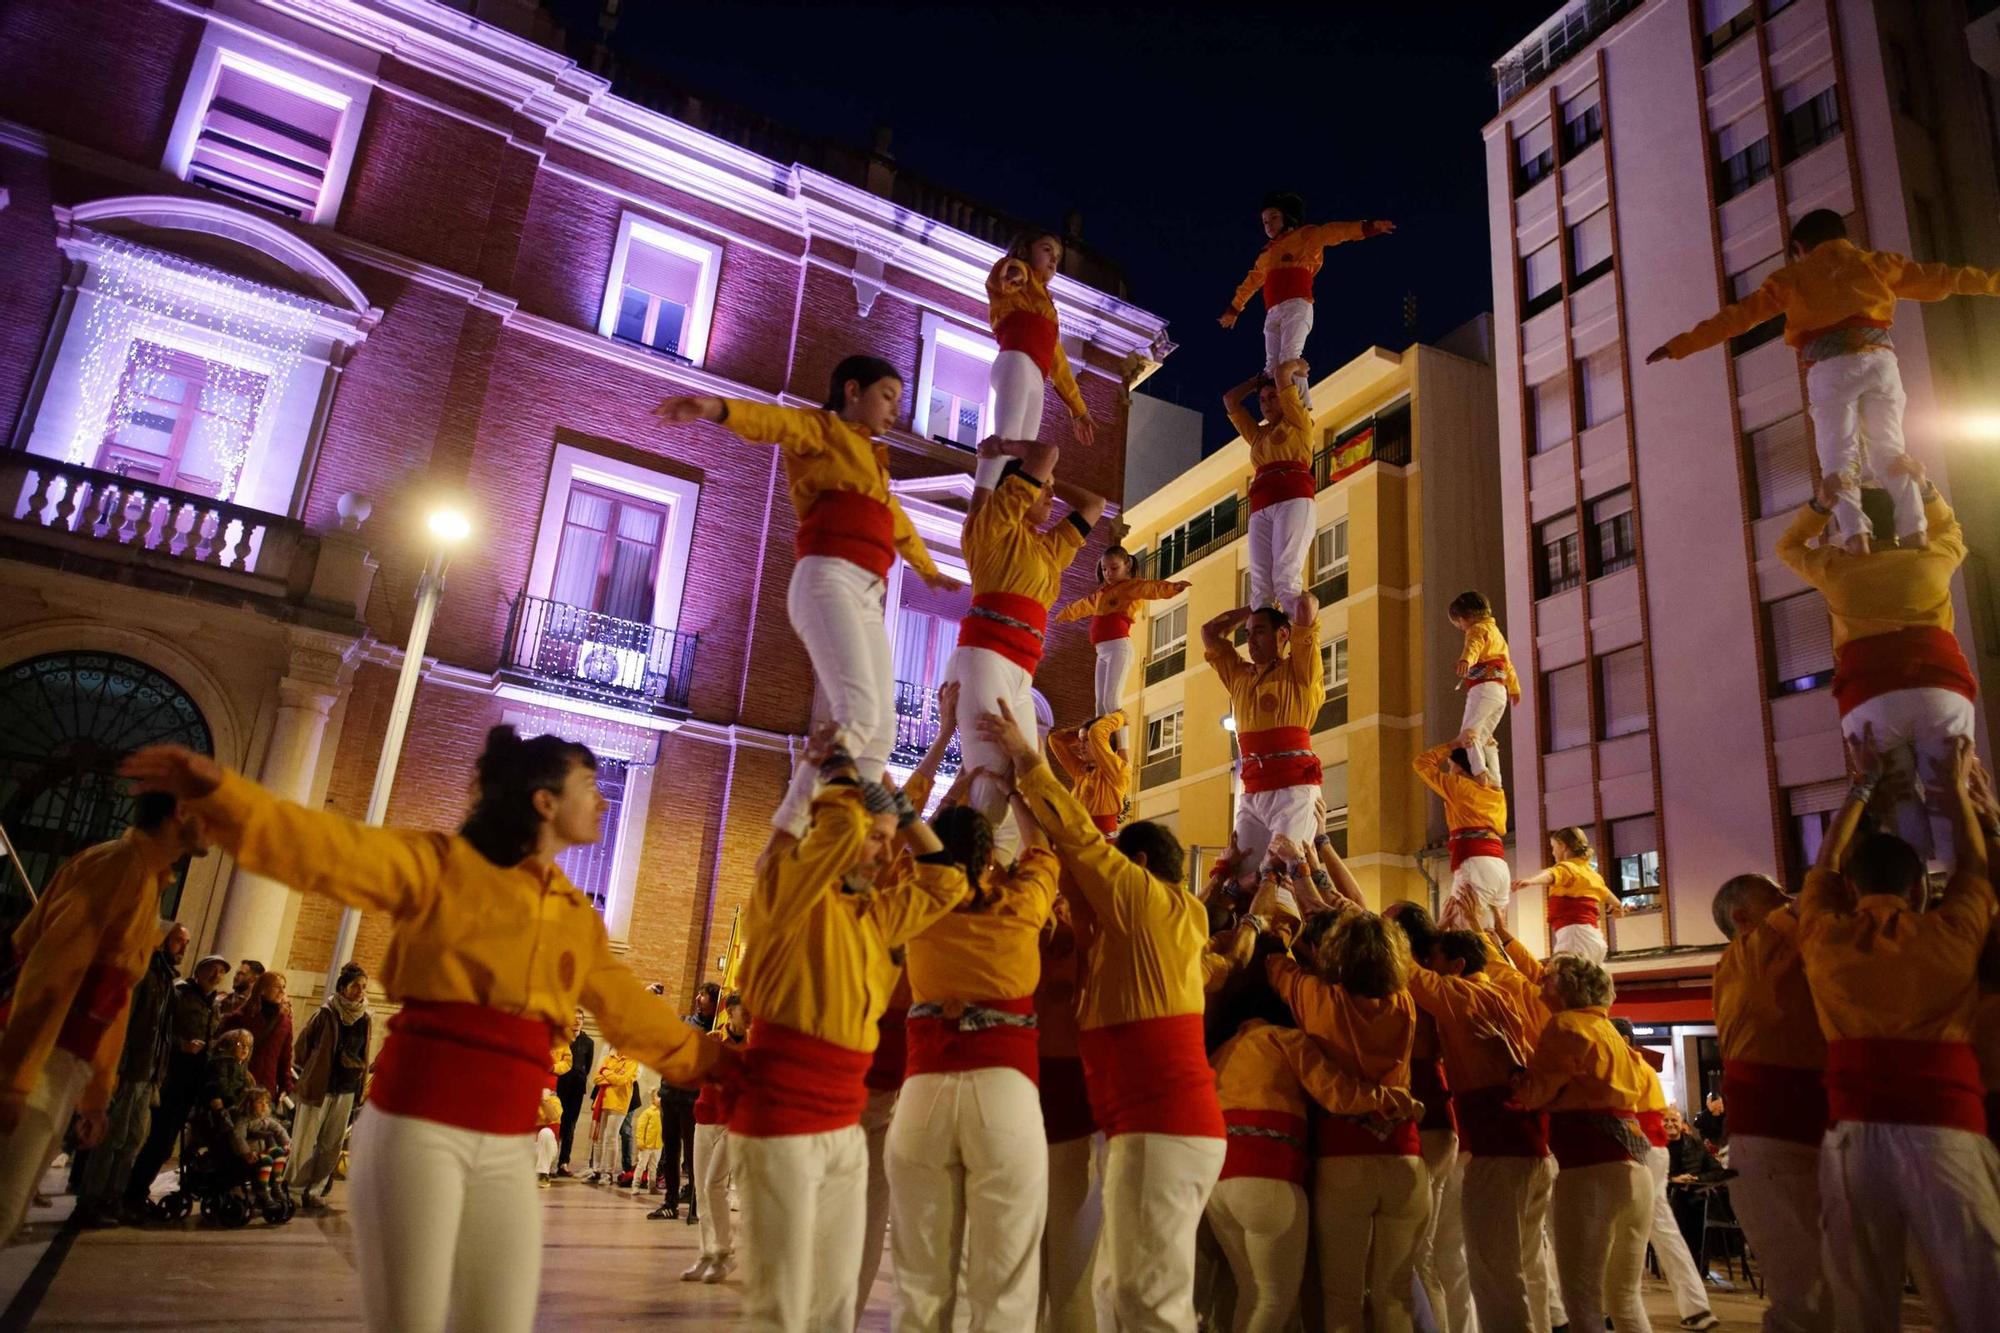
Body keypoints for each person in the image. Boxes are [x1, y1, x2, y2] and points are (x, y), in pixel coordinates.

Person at [120, 726, 725, 1333]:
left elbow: (632, 1012)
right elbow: (326, 849)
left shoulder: (574, 914)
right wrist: (221, 794)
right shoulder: (440, 864)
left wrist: (730, 1065)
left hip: (507, 1145)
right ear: (544, 802)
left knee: (499, 1321)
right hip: (419, 1129)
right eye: (590, 786)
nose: (602, 801)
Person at [977, 700, 1226, 1331]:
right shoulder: (1157, 927)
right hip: (1157, 1128)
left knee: (1148, 1301)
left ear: (1135, 868)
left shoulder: (1145, 902)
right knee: (1132, 1290)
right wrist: (1024, 813)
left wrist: (1029, 758)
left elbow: (1085, 847)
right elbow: (1073, 896)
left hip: (1157, 1128)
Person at [729, 727, 967, 1332]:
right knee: (780, 1303)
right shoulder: (789, 900)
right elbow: (814, 840)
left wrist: (904, 814)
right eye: (877, 841)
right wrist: (833, 776)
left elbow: (946, 880)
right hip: (785, 1120)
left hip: (850, 1117)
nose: (889, 856)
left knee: (835, 1301)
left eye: (892, 845)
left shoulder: (876, 916)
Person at [655, 357, 957, 784]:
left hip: (868, 594)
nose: (895, 410)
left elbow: (897, 523)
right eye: (887, 396)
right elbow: (773, 421)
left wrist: (927, 570)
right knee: (857, 712)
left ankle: (857, 825)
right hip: (830, 578)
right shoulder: (822, 429)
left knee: (882, 727)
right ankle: (795, 827)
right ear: (853, 390)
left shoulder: (874, 465)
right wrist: (712, 408)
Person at [1795, 736, 2000, 1330]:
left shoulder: (1826, 940)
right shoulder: (1951, 936)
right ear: (1919, 889)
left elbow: (1823, 869)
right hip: (1947, 1131)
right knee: (1977, 1295)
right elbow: (1975, 865)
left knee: (1862, 1302)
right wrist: (1960, 794)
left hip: (1856, 1135)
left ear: (1853, 891)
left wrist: (1859, 788)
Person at [1647, 207, 2000, 550]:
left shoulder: (1791, 279)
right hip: (1879, 358)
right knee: (1890, 449)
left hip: (1830, 366)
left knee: (1839, 457)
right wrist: (1993, 282)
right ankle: (1914, 531)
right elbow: (1943, 278)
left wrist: (1680, 346)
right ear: (1842, 237)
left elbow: (1737, 318)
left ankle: (1856, 535)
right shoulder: (1875, 264)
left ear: (1799, 248)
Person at [0, 792, 206, 1245]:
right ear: (181, 812)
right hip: (42, 1061)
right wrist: (16, 1079)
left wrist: (95, 1093)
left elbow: (114, 1001)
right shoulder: (119, 869)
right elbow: (48, 974)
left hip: (60, 1063)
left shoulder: (144, 878)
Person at [887, 787, 1058, 1330]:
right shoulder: (1022, 902)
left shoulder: (916, 897)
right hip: (1004, 1092)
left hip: (922, 1094)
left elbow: (907, 849)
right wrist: (1015, 791)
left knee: (918, 1284)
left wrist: (960, 784)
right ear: (990, 858)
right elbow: (1043, 853)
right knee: (1003, 1285)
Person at [1775, 459, 1973, 865]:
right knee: (1950, 792)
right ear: (1900, 522)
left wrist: (1821, 504)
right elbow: (1951, 530)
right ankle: (1965, 891)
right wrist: (1924, 486)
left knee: (1896, 798)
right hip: (1941, 685)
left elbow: (1788, 547)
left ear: (1850, 527)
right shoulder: (1930, 559)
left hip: (1871, 695)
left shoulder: (1838, 568)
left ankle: (1911, 889)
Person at [1207, 1007, 1419, 1333]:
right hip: (1268, 1173)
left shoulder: (1223, 1050)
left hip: (1218, 1183)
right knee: (1273, 1300)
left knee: (1250, 1294)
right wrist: (1392, 1100)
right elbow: (1336, 1092)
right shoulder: (1284, 1039)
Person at [1267, 911, 1427, 1333]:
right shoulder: (1405, 1003)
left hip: (1343, 1157)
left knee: (1342, 1297)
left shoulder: (1320, 998)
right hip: (1405, 1158)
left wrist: (1288, 936)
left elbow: (1275, 967)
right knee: (1396, 1294)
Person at [949, 435, 1103, 848]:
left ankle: (1007, 879)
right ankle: (973, 886)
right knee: (992, 783)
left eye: (1051, 490)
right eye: (1042, 488)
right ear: (1016, 491)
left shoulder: (1047, 548)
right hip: (986, 658)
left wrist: (1051, 479)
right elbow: (1045, 451)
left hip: (1021, 672)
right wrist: (1004, 447)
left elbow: (1093, 506)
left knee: (1031, 781)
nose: (1051, 496)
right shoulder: (993, 527)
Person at [1404, 929, 1550, 1333]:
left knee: (1495, 1276)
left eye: (1432, 959)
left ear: (1456, 966)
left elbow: (1406, 970)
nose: (1428, 967)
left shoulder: (1462, 995)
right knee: (1518, 1268)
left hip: (1499, 1147)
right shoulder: (1502, 995)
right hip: (1527, 1145)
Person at [1383, 903, 1472, 1333]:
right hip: (1441, 1118)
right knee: (1432, 1252)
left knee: (1418, 1254)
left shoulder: (1409, 982)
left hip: (1425, 1119)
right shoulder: (1434, 984)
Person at [1219, 192, 1395, 409]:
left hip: (1296, 305)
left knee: (1290, 359)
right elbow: (1252, 280)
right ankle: (1278, 409)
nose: (1269, 225)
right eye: (1265, 221)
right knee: (1271, 367)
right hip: (1273, 311)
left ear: (1288, 217)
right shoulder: (1267, 254)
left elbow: (1335, 232)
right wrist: (1235, 307)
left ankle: (1303, 408)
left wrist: (1368, 228)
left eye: (1274, 217)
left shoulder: (1305, 237)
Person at [1203, 593, 1325, 884]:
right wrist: (1253, 605)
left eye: (1258, 631)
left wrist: (1278, 593)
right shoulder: (1239, 675)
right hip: (1253, 791)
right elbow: (1209, 632)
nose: (1250, 640)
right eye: (1246, 634)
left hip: (1292, 789)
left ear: (1283, 634)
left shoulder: (1301, 671)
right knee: (1240, 877)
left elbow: (1306, 606)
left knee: (1283, 875)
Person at [1613, 1018, 1722, 1332]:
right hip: (1655, 1151)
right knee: (1661, 1231)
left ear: (1621, 1038)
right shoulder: (1643, 1066)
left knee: (1626, 1230)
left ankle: (1620, 1304)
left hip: (1639, 1150)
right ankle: (1696, 1308)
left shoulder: (1626, 1064)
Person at [75, 921, 186, 1224]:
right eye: (178, 941)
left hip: (149, 1074)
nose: (183, 949)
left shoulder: (165, 980)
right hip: (131, 1070)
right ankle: (92, 1200)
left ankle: (114, 1197)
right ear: (162, 941)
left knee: (134, 1138)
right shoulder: (144, 975)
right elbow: (125, 1023)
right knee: (112, 1137)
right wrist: (118, 1067)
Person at [979, 229, 1096, 490]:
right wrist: (1016, 272)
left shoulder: (1048, 310)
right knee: (1006, 437)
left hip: (1035, 377)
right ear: (1024, 250)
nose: (1054, 259)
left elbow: (1059, 363)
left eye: (1057, 256)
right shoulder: (1015, 275)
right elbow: (1003, 277)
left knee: (1025, 452)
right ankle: (980, 508)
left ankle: (1007, 511)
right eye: (1046, 250)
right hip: (1016, 362)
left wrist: (1079, 409)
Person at [124, 950, 230, 1213]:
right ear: (199, 970)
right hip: (173, 1075)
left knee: (171, 1141)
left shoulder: (213, 1003)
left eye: (221, 972)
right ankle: (132, 1192)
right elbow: (160, 1029)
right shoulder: (180, 993)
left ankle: (140, 1190)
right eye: (212, 969)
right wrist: (181, 1045)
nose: (216, 976)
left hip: (195, 1079)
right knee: (156, 1138)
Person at [1052, 547, 1189, 724]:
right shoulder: (1102, 594)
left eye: (1114, 568)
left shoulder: (1131, 587)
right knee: (1100, 706)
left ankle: (1122, 747)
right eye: (1104, 569)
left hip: (1118, 648)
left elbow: (1151, 588)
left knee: (1111, 702)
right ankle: (1101, 744)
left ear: (1127, 566)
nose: (1108, 573)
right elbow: (1084, 605)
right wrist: (1065, 613)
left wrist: (1172, 588)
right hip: (1102, 652)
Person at [1222, 360, 1315, 613]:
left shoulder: (1298, 421)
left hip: (1292, 497)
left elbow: (1283, 373)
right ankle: (1267, 645)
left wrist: (1297, 366)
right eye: (1262, 400)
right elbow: (1230, 400)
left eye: (1273, 397)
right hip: (1260, 506)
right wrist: (1256, 382)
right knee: (1261, 586)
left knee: (1286, 579)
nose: (1266, 404)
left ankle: (1298, 638)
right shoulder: (1258, 435)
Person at [291, 962, 371, 1207]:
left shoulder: (365, 1018)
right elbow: (302, 1047)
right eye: (355, 986)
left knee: (331, 1144)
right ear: (343, 987)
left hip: (346, 1088)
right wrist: (315, 1069)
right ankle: (294, 1190)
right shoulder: (326, 1013)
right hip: (320, 1086)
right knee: (305, 1140)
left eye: (363, 987)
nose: (360, 991)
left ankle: (314, 1191)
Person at [1414, 740, 1510, 933]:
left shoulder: (1459, 786)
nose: (1450, 771)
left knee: (1464, 931)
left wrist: (1453, 744)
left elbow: (1421, 764)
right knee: (1496, 931)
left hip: (1474, 862)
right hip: (1499, 866)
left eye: (1450, 766)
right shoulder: (1495, 792)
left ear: (1460, 767)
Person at [684, 994, 748, 1283]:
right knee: (702, 1191)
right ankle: (707, 1254)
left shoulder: (754, 1046)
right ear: (728, 1011)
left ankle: (725, 1251)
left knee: (714, 1184)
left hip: (731, 1124)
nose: (748, 1016)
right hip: (704, 1118)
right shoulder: (713, 1039)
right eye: (742, 1010)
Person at [1514, 827, 1623, 964]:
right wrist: (1618, 906)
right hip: (1594, 938)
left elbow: (1550, 875)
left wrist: (1531, 881)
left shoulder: (1567, 868)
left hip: (1575, 937)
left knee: (1566, 979)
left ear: (1563, 847)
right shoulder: (1592, 874)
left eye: (1553, 847)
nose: (1553, 852)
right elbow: (1608, 895)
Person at [1448, 591, 1518, 789]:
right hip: (1499, 692)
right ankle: (1496, 781)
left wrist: (1466, 660)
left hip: (1482, 688)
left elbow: (1473, 646)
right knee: (1486, 737)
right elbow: (1508, 664)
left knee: (1469, 733)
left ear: (1465, 618)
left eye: (1460, 624)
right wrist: (1514, 688)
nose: (1462, 629)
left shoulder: (1477, 630)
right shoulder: (1497, 634)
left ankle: (1480, 772)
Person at [1047, 710, 1129, 836]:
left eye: (1086, 740)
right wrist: (1081, 732)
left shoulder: (1116, 771)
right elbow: (1056, 740)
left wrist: (1120, 717)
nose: (1080, 746)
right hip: (1077, 839)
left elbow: (1097, 733)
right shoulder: (1081, 770)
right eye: (1080, 741)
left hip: (1103, 843)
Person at [218, 969, 294, 1101]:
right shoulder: (240, 1017)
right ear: (263, 990)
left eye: (284, 987)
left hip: (266, 1088)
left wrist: (285, 1086)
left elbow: (285, 1058)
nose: (282, 991)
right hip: (239, 1084)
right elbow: (223, 1052)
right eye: (277, 987)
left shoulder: (284, 1022)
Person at [231, 1085, 292, 1211]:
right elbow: (238, 1137)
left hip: (262, 1151)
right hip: (250, 1155)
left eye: (265, 1102)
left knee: (279, 1153)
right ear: (250, 1104)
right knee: (267, 1160)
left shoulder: (265, 1119)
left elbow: (279, 1130)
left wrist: (286, 1143)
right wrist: (246, 1152)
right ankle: (262, 1189)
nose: (264, 1105)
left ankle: (276, 1185)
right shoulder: (244, 1121)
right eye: (259, 1102)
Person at [587, 1044, 638, 1182]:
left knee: (611, 1137)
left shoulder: (632, 1060)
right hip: (602, 1100)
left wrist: (606, 1072)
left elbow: (622, 1080)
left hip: (618, 1103)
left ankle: (608, 1172)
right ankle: (596, 1170)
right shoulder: (609, 1057)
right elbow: (596, 1078)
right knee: (598, 1137)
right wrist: (612, 1074)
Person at [555, 1011, 592, 1178]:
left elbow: (588, 1066)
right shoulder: (561, 1040)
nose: (577, 1022)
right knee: (556, 1123)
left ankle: (563, 1162)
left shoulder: (588, 1042)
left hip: (576, 1089)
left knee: (570, 1125)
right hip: (560, 1085)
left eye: (580, 1019)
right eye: (574, 1019)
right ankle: (548, 1162)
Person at [630, 1087, 663, 1195]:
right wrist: (640, 1141)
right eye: (658, 1096)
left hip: (658, 1145)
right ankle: (635, 1185)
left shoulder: (664, 1113)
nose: (661, 1099)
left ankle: (652, 1186)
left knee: (653, 1166)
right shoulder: (648, 1112)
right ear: (652, 1099)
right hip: (646, 1145)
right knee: (641, 1165)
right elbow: (640, 1127)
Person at [535, 1089, 563, 1187]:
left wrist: (541, 1101)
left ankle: (543, 1175)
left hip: (545, 1147)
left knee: (546, 1132)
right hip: (528, 1146)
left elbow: (554, 1116)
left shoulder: (553, 1099)